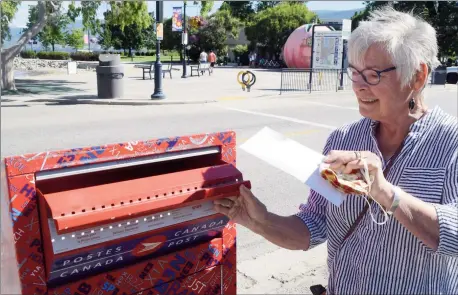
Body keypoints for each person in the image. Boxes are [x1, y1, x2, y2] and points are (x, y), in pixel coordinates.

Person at [214, 6, 458, 295]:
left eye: (372, 75)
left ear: (417, 76)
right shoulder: (344, 139)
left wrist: (385, 193)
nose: (358, 87)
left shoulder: (450, 143)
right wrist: (261, 220)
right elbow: (314, 226)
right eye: (354, 73)